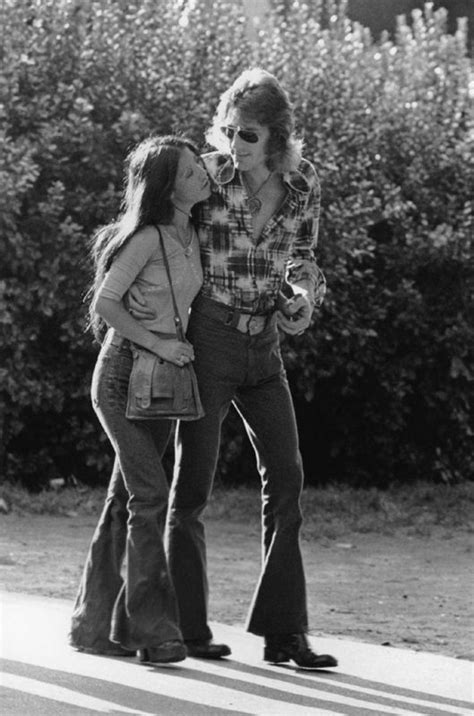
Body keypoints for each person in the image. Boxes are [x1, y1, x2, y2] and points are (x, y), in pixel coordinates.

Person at [130, 68, 337, 669]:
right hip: (210, 339)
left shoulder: (304, 182)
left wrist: (301, 297)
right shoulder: (209, 178)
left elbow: (303, 260)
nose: (231, 144)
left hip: (264, 346)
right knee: (191, 487)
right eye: (224, 131)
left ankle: (284, 634)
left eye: (245, 135)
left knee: (288, 477)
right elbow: (157, 239)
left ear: (276, 136)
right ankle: (189, 628)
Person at [69, 135, 211, 664]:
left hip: (160, 382)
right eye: (189, 168)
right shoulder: (148, 237)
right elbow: (106, 303)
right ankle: (152, 632)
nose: (201, 172)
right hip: (123, 377)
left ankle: (91, 627)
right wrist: (161, 344)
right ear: (166, 186)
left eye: (200, 163)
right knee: (150, 497)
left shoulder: (193, 231)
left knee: (123, 500)